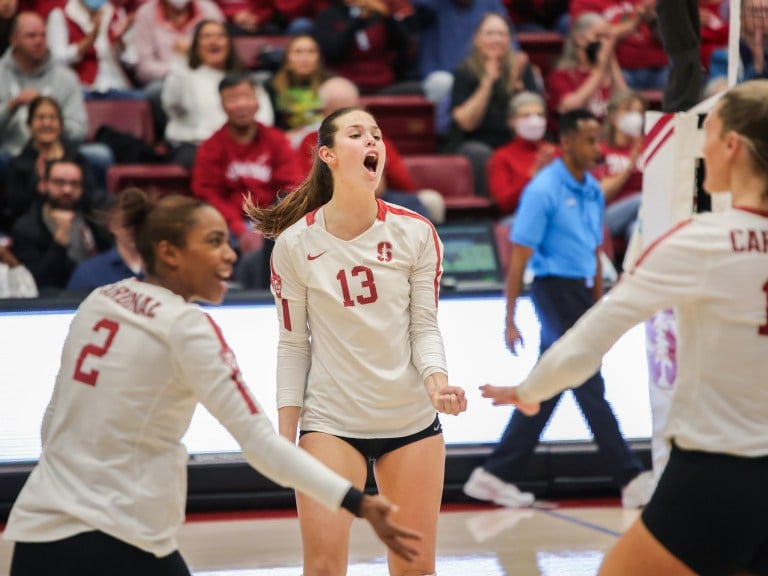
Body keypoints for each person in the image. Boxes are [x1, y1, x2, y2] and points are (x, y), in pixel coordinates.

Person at [3, 187, 421, 576]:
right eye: (214, 242)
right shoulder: (185, 327)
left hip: (36, 532)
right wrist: (357, 501)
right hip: (122, 538)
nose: (230, 255)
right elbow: (261, 446)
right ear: (169, 253)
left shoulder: (100, 299)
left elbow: (53, 420)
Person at [478, 79, 768, 576]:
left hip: (717, 466)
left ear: (732, 147)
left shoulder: (698, 242)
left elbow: (592, 338)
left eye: (708, 132)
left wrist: (530, 390)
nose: (700, 147)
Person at [245, 106, 467, 575]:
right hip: (331, 422)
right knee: (324, 567)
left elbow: (424, 327)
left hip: (410, 422)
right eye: (356, 134)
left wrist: (437, 383)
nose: (373, 143)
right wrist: (286, 435)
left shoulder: (415, 231)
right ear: (327, 154)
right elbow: (293, 345)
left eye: (377, 135)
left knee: (415, 567)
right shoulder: (294, 245)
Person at [462, 109, 652, 509]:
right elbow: (518, 257)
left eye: (597, 139)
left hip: (583, 292)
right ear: (565, 142)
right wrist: (510, 316)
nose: (595, 148)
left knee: (550, 384)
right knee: (585, 378)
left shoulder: (594, 189)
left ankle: (495, 474)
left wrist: (599, 297)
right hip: (552, 290)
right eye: (586, 140)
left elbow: (595, 247)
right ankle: (630, 476)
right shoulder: (543, 189)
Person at [296, 76, 446, 224]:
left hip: (377, 200)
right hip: (329, 204)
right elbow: (306, 190)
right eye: (340, 112)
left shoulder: (376, 139)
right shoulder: (311, 142)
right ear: (323, 113)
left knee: (413, 205)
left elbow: (404, 184)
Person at [444, 12, 539, 198]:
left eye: (501, 34)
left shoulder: (520, 69)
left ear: (509, 40)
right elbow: (466, 122)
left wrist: (518, 86)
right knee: (481, 153)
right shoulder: (464, 72)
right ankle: (488, 210)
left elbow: (535, 115)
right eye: (490, 34)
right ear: (477, 39)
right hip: (476, 141)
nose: (496, 39)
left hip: (512, 140)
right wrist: (487, 82)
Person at [162, 19, 273, 169]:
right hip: (196, 148)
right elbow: (171, 103)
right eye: (207, 36)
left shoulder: (245, 80)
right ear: (196, 45)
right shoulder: (184, 77)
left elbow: (265, 119)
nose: (214, 41)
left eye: (220, 36)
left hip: (244, 149)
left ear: (229, 43)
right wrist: (181, 60)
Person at [10, 157, 112, 291]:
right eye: (59, 182)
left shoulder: (93, 218)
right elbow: (35, 283)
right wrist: (60, 241)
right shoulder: (25, 229)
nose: (67, 190)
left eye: (74, 184)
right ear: (43, 185)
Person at [4, 95, 99, 229]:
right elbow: (15, 209)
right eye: (40, 118)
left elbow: (91, 198)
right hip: (33, 233)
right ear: (29, 124)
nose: (46, 123)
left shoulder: (78, 160)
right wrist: (38, 181)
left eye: (52, 118)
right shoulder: (18, 165)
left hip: (76, 226)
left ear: (61, 125)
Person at [546, 12, 628, 127]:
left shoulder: (612, 75)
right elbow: (570, 108)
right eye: (599, 36)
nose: (604, 43)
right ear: (580, 39)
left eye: (608, 37)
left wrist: (612, 61)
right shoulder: (561, 76)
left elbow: (628, 104)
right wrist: (599, 70)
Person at [592, 90, 645, 263]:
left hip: (638, 217)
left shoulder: (648, 148)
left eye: (639, 112)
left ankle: (633, 275)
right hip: (606, 215)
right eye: (629, 111)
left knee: (636, 230)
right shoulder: (600, 150)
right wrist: (629, 167)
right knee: (640, 200)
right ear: (614, 117)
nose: (636, 117)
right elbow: (600, 193)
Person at [487, 90, 558, 220]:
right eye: (526, 116)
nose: (534, 120)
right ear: (512, 121)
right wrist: (534, 174)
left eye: (539, 115)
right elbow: (504, 204)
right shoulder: (501, 157)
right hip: (519, 217)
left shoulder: (557, 153)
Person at [46, 0, 139, 98]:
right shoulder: (61, 14)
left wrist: (119, 42)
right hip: (82, 88)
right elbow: (56, 61)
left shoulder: (115, 13)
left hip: (118, 85)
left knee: (140, 99)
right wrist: (89, 41)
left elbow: (132, 61)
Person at [65, 191, 143, 292]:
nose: (134, 231)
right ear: (112, 225)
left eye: (140, 224)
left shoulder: (162, 266)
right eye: (127, 225)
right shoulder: (88, 272)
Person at [265, 33, 333, 144]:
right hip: (285, 142)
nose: (304, 58)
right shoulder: (272, 86)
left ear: (319, 57)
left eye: (311, 52)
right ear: (287, 57)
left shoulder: (330, 84)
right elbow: (268, 124)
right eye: (298, 52)